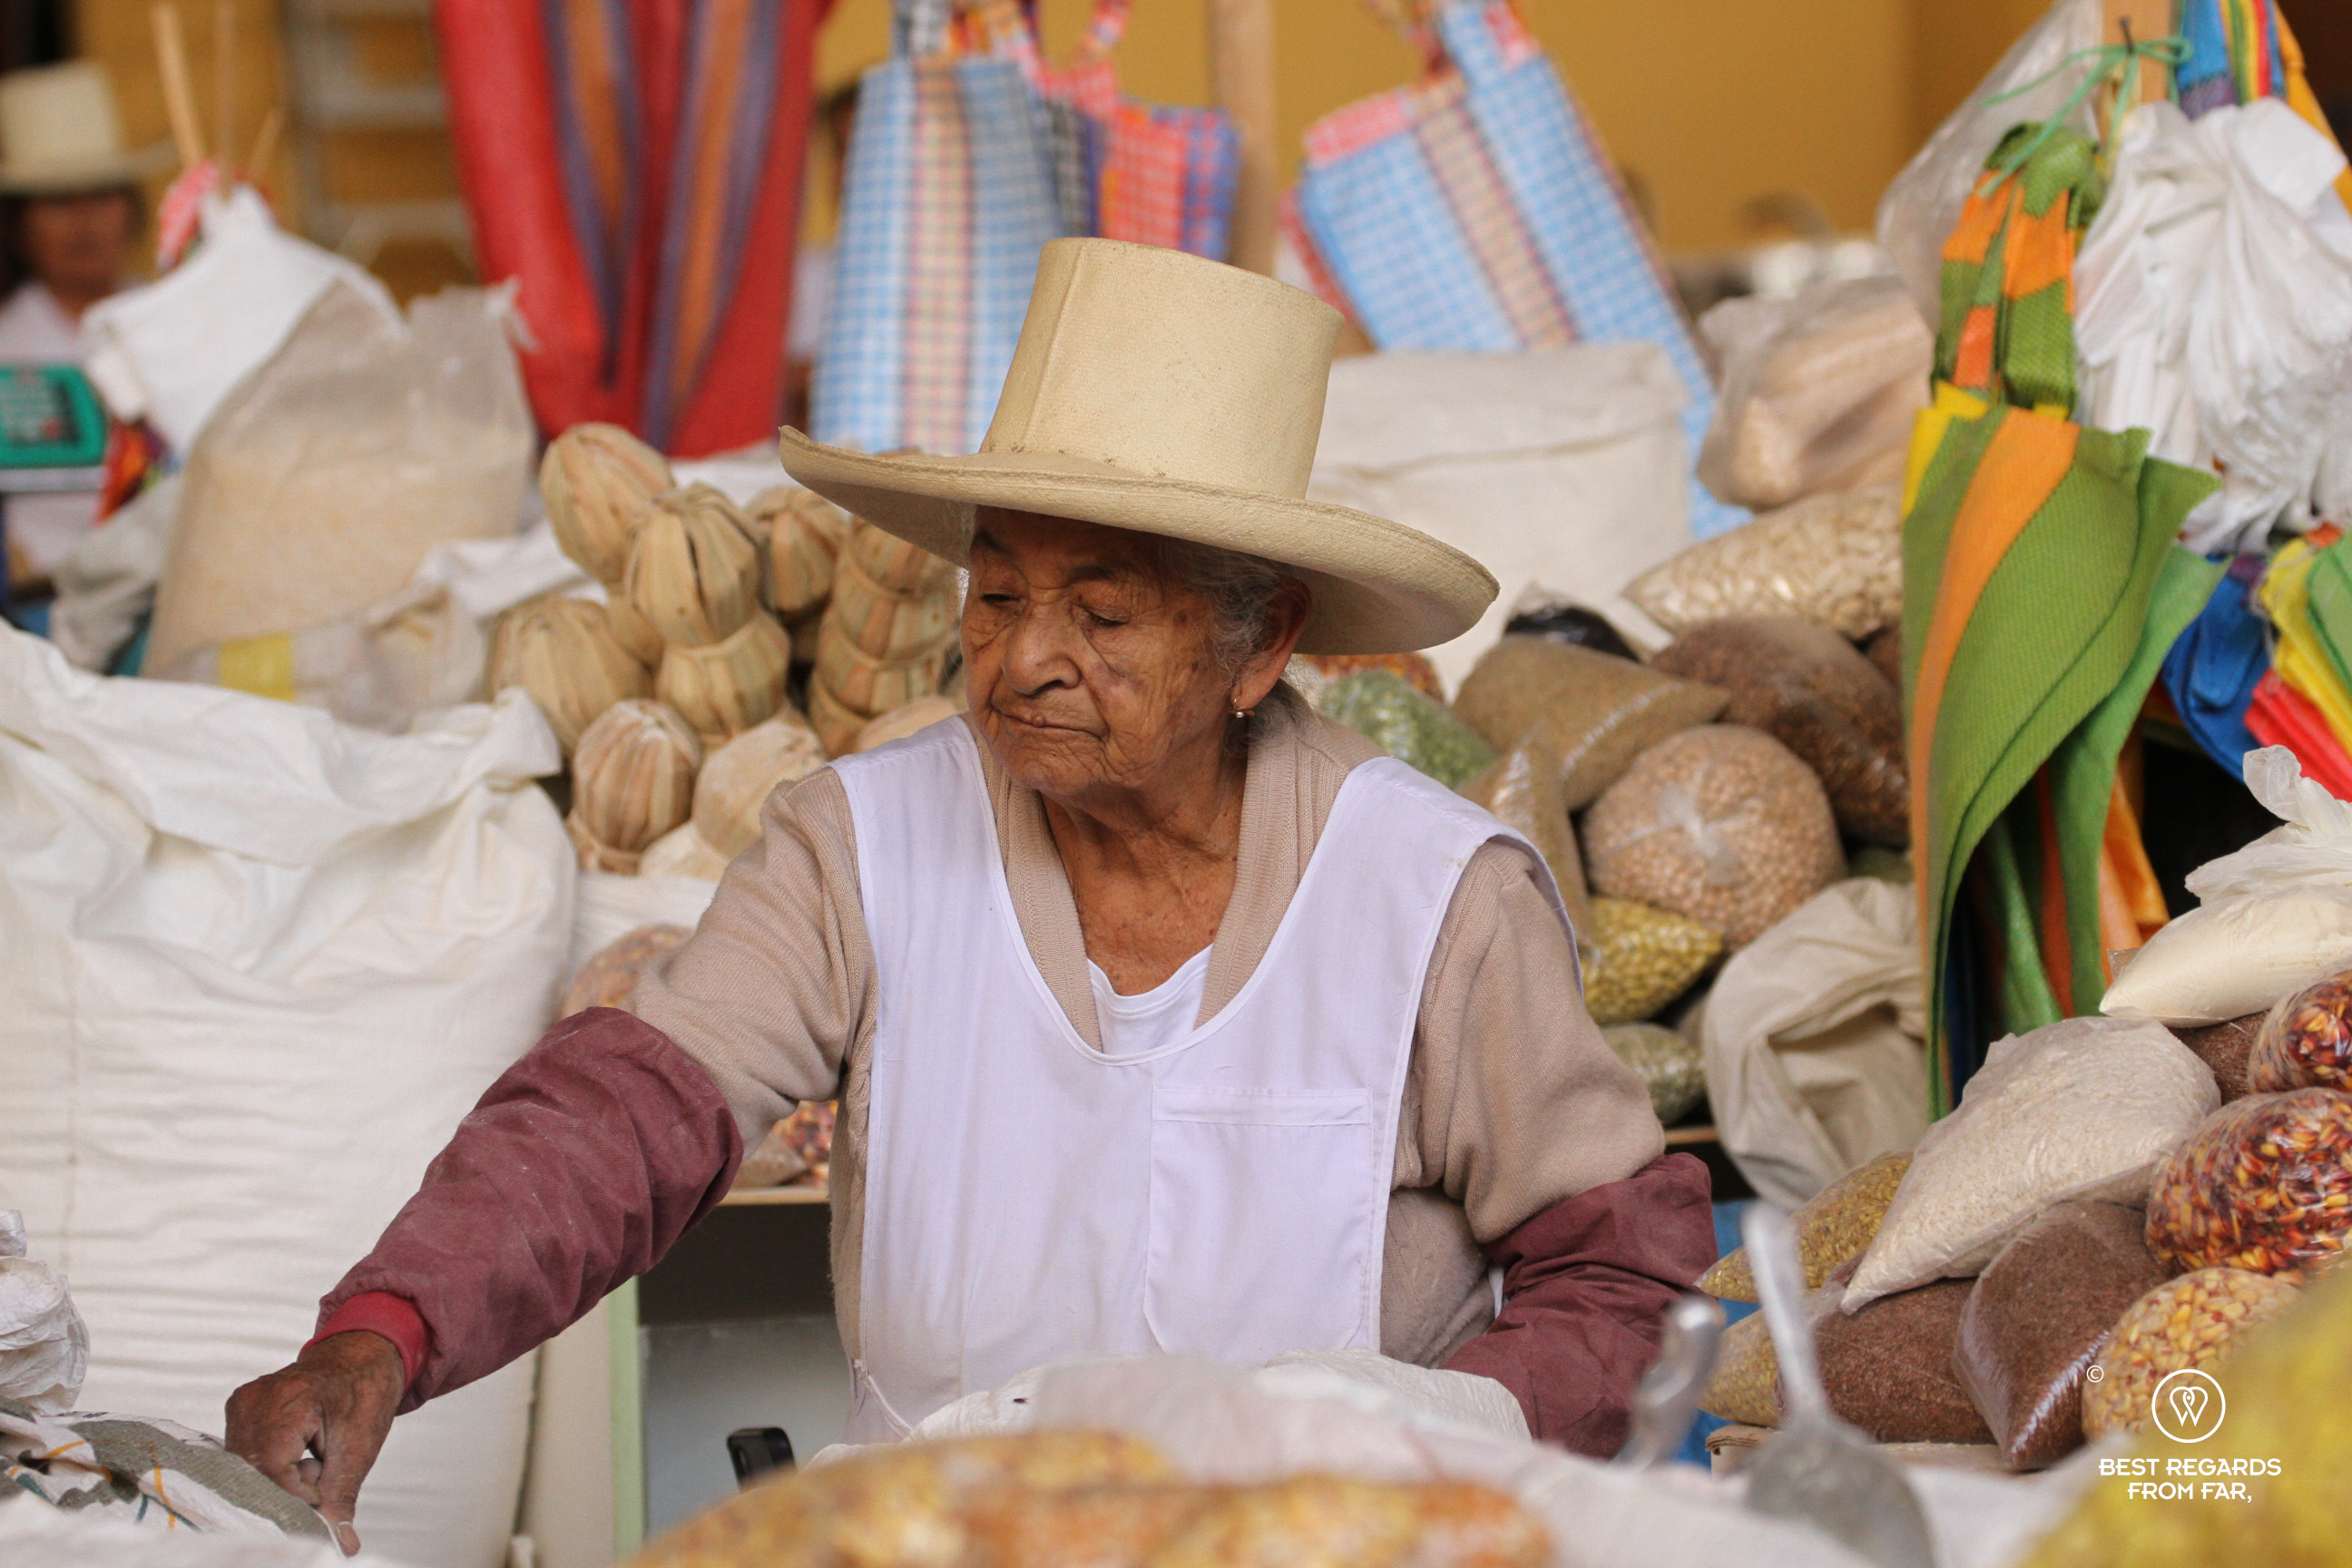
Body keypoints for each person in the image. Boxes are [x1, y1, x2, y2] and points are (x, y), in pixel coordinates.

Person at [225, 239, 1714, 1552]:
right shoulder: (860, 842)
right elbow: (625, 1110)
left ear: (1260, 648)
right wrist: (384, 1330)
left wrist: (1417, 1444)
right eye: (996, 594)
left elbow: (1623, 1281)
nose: (1021, 659)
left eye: (1104, 609)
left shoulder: (1431, 895)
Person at [0, 61, 152, 595]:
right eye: (61, 202)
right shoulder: (5, 346)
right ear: (18, 225)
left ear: (130, 210)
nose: (86, 222)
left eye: (103, 196)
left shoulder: (177, 328)